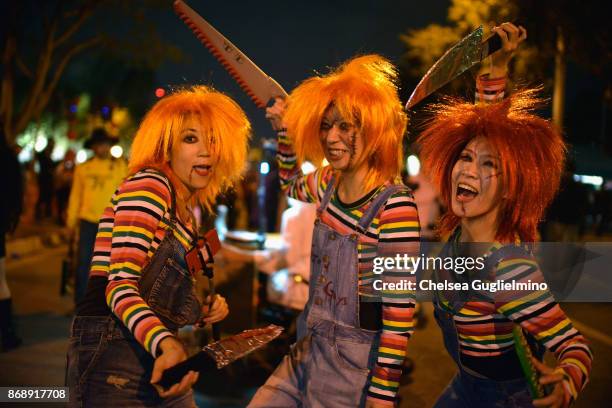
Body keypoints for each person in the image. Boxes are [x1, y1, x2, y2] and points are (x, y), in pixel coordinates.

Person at [417, 24, 593, 407]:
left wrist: (567, 380)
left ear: (511, 186)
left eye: (488, 166)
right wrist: (496, 68)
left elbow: (573, 344)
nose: (469, 171)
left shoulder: (508, 269)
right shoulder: (460, 241)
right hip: (464, 387)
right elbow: (487, 131)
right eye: (464, 158)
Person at [249, 55, 420, 407]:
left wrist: (382, 393)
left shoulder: (395, 206)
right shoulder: (327, 181)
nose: (331, 137)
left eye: (345, 126)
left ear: (372, 130)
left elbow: (400, 311)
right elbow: (292, 186)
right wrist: (284, 132)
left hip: (351, 366)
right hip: (308, 340)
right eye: (326, 126)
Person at [66, 85, 249, 407]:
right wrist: (166, 341)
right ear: (165, 147)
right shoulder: (150, 185)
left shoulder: (188, 215)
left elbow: (163, 296)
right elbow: (119, 285)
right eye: (191, 139)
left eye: (214, 139)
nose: (207, 150)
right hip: (116, 350)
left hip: (158, 349)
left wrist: (202, 309)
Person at [66, 128, 128, 303]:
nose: (103, 148)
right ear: (93, 147)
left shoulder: (120, 167)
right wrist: (70, 223)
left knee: (110, 266)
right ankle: (81, 303)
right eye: (99, 145)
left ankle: (104, 303)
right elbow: (75, 196)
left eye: (105, 144)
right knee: (84, 264)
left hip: (113, 223)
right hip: (87, 222)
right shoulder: (83, 169)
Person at [0, 124, 24, 351]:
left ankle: (7, 333)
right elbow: (17, 192)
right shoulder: (8, 157)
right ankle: (7, 333)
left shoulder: (6, 157)